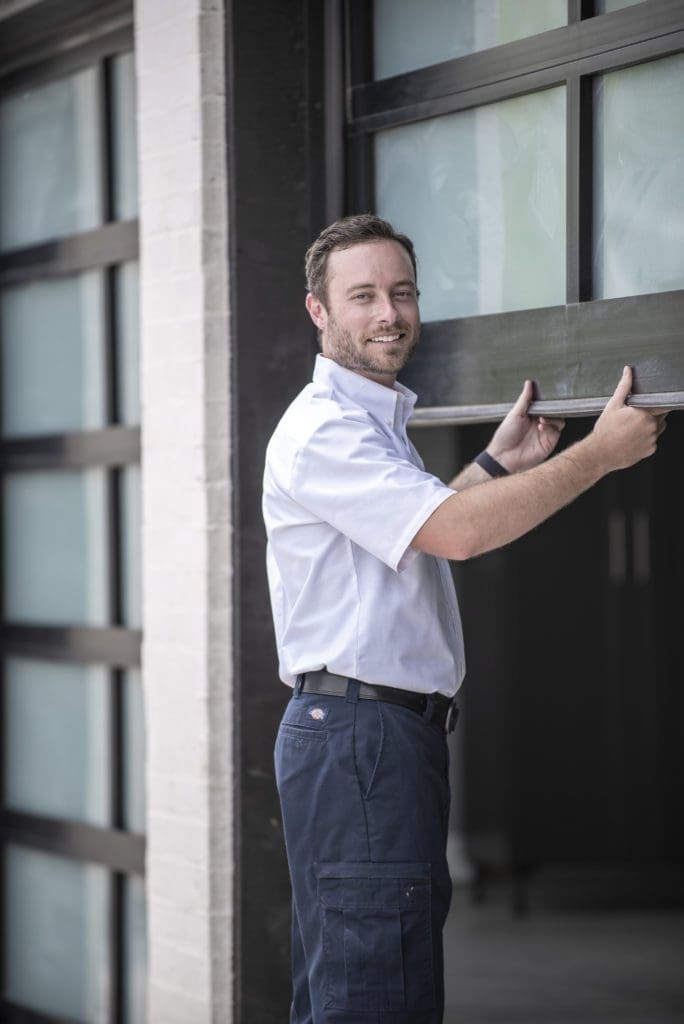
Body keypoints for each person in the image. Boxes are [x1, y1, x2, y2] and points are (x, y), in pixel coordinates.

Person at [262, 214, 666, 1024]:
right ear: (319, 311)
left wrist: (492, 464)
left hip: (372, 739)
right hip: (359, 742)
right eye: (365, 295)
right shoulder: (327, 430)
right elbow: (460, 533)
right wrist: (602, 454)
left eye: (402, 292)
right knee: (376, 998)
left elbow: (420, 530)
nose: (390, 314)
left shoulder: (372, 423)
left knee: (366, 983)